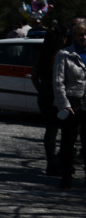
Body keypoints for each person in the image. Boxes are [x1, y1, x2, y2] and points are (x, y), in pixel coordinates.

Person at [53, 21, 86, 189]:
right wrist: (64, 104)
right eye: (80, 35)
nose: (84, 38)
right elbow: (58, 82)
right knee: (68, 141)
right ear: (74, 37)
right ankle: (66, 174)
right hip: (72, 102)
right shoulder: (64, 54)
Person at [33, 27, 66, 176]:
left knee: (51, 130)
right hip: (58, 95)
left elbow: (34, 76)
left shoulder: (43, 54)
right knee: (66, 130)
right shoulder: (62, 55)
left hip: (45, 93)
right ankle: (56, 161)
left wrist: (41, 90)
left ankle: (51, 162)